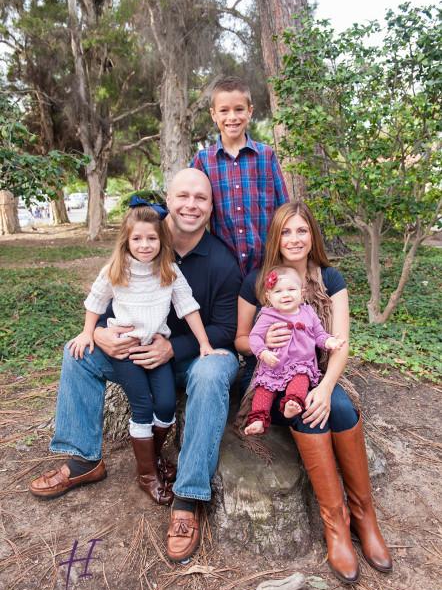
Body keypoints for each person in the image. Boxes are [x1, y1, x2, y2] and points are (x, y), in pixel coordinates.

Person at [29, 168, 241, 565]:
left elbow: (226, 328)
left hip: (191, 359)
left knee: (213, 372)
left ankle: (187, 496)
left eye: (201, 198)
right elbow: (108, 302)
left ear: (212, 208)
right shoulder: (137, 247)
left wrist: (172, 348)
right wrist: (101, 335)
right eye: (183, 196)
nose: (191, 205)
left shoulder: (222, 262)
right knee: (77, 351)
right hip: (133, 354)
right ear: (168, 203)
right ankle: (83, 459)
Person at [235, 202, 392, 584]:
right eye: (286, 231)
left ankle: (363, 515)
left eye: (302, 230)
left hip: (316, 371)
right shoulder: (258, 280)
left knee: (339, 410)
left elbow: (340, 344)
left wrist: (325, 387)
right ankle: (335, 524)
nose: (294, 238)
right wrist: (262, 341)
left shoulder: (331, 278)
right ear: (276, 237)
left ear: (312, 236)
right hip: (269, 375)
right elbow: (240, 339)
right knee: (306, 409)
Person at [68, 196, 226, 506]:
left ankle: (150, 459)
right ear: (126, 241)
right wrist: (90, 332)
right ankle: (146, 474)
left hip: (154, 348)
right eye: (137, 238)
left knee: (165, 405)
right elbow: (96, 302)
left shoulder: (167, 270)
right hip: (124, 350)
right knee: (142, 406)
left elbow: (188, 307)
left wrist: (205, 344)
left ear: (161, 239)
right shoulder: (116, 269)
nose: (144, 244)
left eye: (151, 238)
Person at [190, 76, 290, 277]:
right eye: (224, 110)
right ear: (213, 114)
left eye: (239, 109)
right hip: (223, 268)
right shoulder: (203, 160)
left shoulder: (266, 155)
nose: (232, 117)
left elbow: (284, 210)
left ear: (250, 112)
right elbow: (190, 208)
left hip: (266, 265)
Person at [245, 265, 346, 435]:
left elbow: (319, 335)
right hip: (274, 366)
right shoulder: (268, 316)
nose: (285, 295)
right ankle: (258, 420)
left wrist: (329, 342)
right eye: (278, 292)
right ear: (269, 297)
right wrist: (263, 352)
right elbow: (254, 337)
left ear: (302, 293)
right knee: (263, 391)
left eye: (291, 289)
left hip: (301, 365)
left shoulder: (308, 313)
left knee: (301, 381)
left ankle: (292, 404)